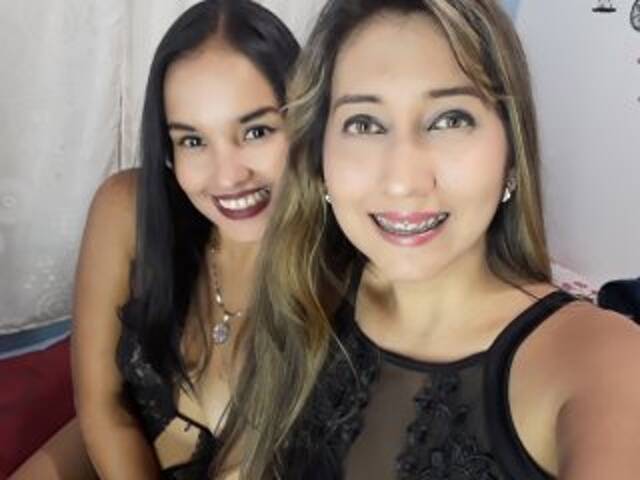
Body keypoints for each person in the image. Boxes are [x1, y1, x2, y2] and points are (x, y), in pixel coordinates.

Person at [225, 0, 640, 478]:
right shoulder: (301, 301)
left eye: (450, 119)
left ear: (511, 152)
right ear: (320, 161)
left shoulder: (601, 359)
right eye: (364, 124)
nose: (404, 180)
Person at [9, 1, 298, 479]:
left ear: (305, 119)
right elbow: (102, 405)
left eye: (256, 131)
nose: (228, 176)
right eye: (193, 141)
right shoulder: (128, 210)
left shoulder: (333, 270)